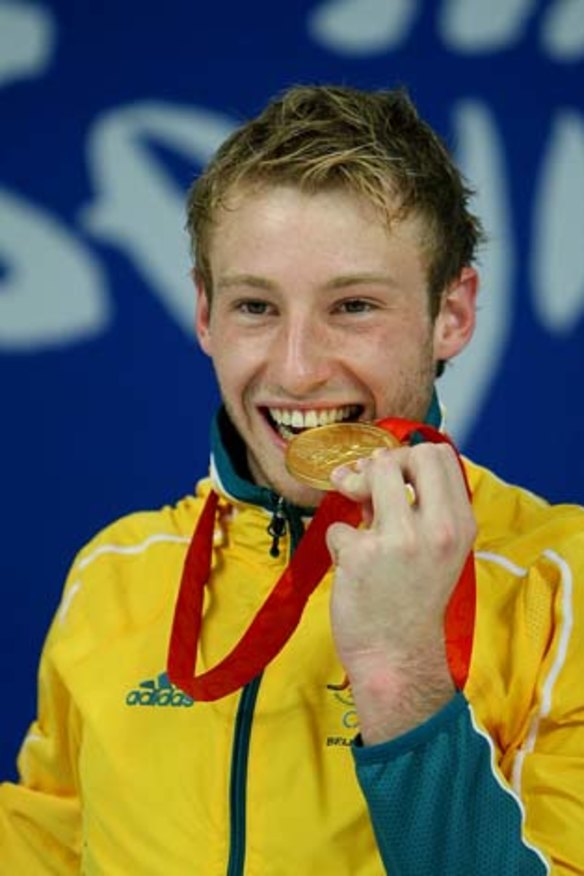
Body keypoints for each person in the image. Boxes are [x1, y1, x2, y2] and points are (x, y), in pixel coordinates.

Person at [1, 84, 583, 875]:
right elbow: (49, 847)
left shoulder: (558, 586)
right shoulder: (114, 573)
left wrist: (401, 677)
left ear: (452, 313)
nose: (299, 368)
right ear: (205, 315)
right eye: (255, 307)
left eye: (352, 306)